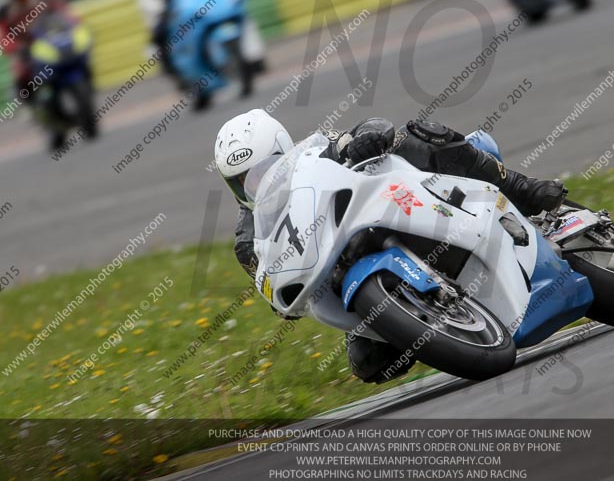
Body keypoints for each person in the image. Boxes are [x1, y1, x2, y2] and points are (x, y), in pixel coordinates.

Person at [214, 109, 566, 383]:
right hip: (346, 278)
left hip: (397, 203)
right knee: (369, 364)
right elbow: (276, 295)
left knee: (417, 135)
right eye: (241, 182)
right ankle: (432, 320)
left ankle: (520, 187)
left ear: (283, 149)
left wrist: (365, 140)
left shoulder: (316, 151)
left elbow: (373, 125)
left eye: (261, 171)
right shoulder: (249, 240)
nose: (253, 186)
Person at [0, 0, 74, 101]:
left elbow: (64, 13)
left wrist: (72, 25)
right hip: (25, 49)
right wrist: (15, 47)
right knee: (20, 70)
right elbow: (3, 37)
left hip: (50, 39)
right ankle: (32, 100)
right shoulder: (6, 12)